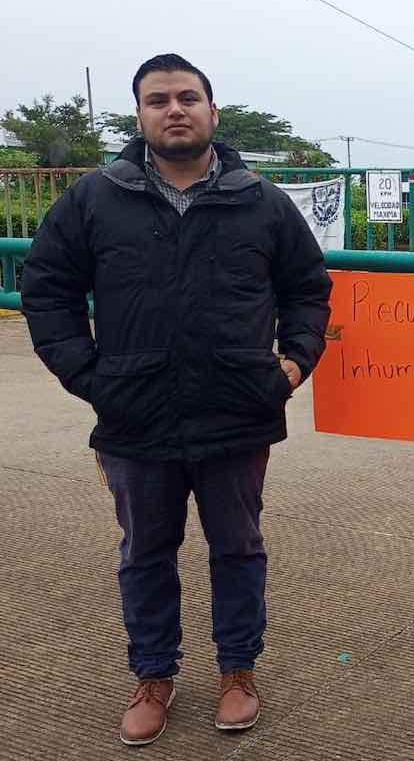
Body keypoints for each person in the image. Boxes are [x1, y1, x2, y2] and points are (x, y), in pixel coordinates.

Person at [21, 53, 332, 746]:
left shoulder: (262, 202)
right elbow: (47, 290)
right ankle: (154, 676)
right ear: (139, 116)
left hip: (238, 412)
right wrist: (91, 377)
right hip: (134, 415)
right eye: (157, 99)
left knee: (239, 548)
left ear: (212, 111)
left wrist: (290, 366)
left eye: (187, 96)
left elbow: (307, 289)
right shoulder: (93, 200)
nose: (174, 109)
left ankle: (236, 672)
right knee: (144, 552)